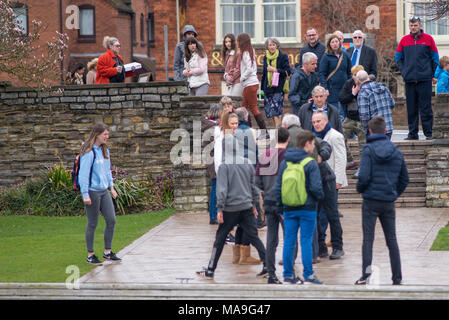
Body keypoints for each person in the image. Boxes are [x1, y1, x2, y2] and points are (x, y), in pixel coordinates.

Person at [196, 131, 267, 279]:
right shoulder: (247, 163)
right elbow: (253, 187)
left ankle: (211, 269)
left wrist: (219, 209)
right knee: (254, 237)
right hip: (246, 207)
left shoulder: (224, 166)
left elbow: (221, 190)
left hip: (230, 209)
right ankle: (267, 265)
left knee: (220, 239)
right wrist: (254, 205)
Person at [355, 116, 409, 285]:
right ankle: (397, 276)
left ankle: (366, 275)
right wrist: (394, 193)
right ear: (385, 131)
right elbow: (404, 179)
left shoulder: (369, 150)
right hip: (388, 200)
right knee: (392, 240)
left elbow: (363, 177)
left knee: (368, 239)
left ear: (370, 131)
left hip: (370, 200)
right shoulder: (396, 150)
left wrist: (360, 190)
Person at [275, 130, 324, 284]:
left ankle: (288, 274)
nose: (314, 147)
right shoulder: (311, 163)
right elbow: (316, 188)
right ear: (307, 144)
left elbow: (278, 186)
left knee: (289, 241)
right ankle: (308, 274)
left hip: (289, 208)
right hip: (308, 208)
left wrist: (280, 207)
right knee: (306, 241)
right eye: (313, 144)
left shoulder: (285, 162)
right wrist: (319, 198)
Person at [79, 123, 120, 265]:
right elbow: (83, 174)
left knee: (111, 220)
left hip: (103, 191)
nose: (107, 137)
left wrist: (112, 187)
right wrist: (85, 194)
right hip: (92, 191)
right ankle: (90, 255)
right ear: (97, 134)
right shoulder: (89, 152)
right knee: (92, 223)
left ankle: (107, 253)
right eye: (105, 134)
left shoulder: (105, 151)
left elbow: (107, 171)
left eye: (108, 134)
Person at [395, 16, 439, 140]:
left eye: (415, 25)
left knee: (426, 107)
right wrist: (404, 72)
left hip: (424, 79)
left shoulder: (428, 39)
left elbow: (435, 58)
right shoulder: (404, 40)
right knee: (411, 108)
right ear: (409, 26)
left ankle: (428, 133)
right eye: (411, 25)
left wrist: (431, 74)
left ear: (420, 25)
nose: (413, 27)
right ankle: (412, 134)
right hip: (409, 80)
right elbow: (398, 58)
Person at [255, 127, 289, 284]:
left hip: (269, 200)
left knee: (271, 239)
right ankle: (289, 270)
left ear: (275, 138)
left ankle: (271, 273)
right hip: (285, 202)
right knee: (289, 237)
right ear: (288, 139)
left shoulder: (265, 155)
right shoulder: (289, 157)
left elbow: (257, 182)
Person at [311, 111, 346, 260]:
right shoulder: (311, 138)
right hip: (316, 181)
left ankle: (338, 246)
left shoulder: (335, 136)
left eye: (319, 121)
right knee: (317, 216)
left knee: (332, 215)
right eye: (314, 122)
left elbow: (340, 158)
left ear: (326, 121)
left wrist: (339, 180)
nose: (316, 124)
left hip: (330, 180)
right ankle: (321, 247)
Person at [339, 65, 367, 169]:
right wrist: (352, 94)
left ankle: (364, 166)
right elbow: (342, 98)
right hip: (350, 117)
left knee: (363, 144)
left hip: (362, 119)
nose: (355, 77)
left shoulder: (366, 84)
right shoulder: (349, 83)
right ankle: (350, 161)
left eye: (356, 75)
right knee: (340, 138)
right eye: (354, 75)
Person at [237, 33, 267, 131]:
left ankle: (264, 131)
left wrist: (242, 77)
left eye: (238, 41)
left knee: (253, 108)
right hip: (250, 83)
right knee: (244, 108)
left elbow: (249, 69)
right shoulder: (250, 51)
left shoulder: (246, 53)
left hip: (250, 83)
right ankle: (247, 130)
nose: (237, 43)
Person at [319, 34, 352, 122]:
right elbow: (322, 74)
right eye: (332, 42)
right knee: (336, 113)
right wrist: (325, 88)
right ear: (329, 44)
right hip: (332, 89)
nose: (334, 44)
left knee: (345, 113)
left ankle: (345, 133)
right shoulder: (326, 57)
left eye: (336, 41)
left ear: (340, 43)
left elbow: (349, 72)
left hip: (344, 88)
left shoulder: (345, 55)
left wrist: (350, 85)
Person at [261, 37, 291, 129]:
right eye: (270, 45)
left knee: (276, 111)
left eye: (273, 45)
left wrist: (275, 70)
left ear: (277, 45)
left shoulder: (283, 56)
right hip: (268, 88)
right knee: (270, 112)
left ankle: (279, 133)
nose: (272, 47)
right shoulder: (266, 57)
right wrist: (262, 87)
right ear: (267, 46)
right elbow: (264, 73)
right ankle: (277, 131)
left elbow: (288, 72)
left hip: (278, 88)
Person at [356, 70, 395, 139]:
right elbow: (392, 104)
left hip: (374, 130)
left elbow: (364, 115)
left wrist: (365, 130)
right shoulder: (384, 87)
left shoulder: (363, 93)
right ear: (368, 77)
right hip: (388, 126)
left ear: (358, 81)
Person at [201, 104, 222, 225]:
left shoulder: (210, 127)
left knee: (215, 187)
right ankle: (213, 216)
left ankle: (214, 215)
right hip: (214, 161)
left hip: (212, 160)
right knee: (215, 188)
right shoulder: (212, 129)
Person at [289, 52, 319, 116]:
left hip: (312, 109)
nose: (315, 66)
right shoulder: (296, 76)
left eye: (316, 63)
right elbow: (292, 95)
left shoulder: (314, 76)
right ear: (305, 64)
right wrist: (304, 102)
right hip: (299, 110)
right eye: (313, 64)